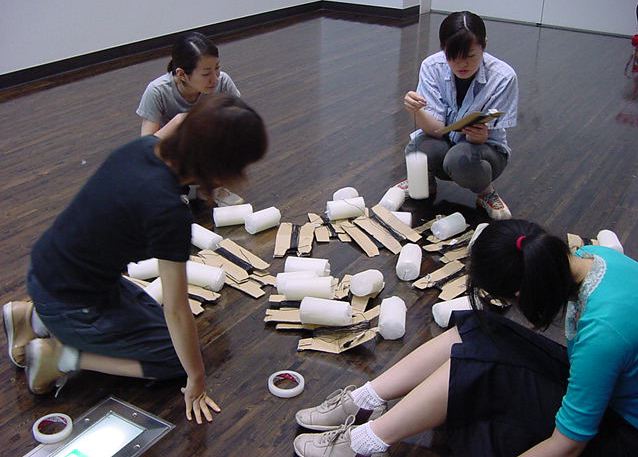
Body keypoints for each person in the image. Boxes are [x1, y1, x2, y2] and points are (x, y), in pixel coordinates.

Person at [3, 95, 267, 424]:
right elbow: (176, 308)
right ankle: (60, 357)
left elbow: (181, 121)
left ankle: (29, 316)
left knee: (158, 325)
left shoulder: (142, 148)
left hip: (48, 271)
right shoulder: (168, 211)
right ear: (217, 166)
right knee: (175, 358)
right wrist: (197, 379)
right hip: (73, 300)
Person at [292, 219, 638, 456]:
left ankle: (365, 442)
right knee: (481, 328)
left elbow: (568, 446)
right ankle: (365, 400)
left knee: (478, 366)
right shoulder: (593, 258)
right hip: (607, 387)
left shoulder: (604, 334)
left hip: (622, 433)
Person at [398, 11, 518, 220]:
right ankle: (424, 182)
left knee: (459, 160)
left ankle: (485, 191)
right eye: (452, 57)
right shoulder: (432, 66)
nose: (462, 65)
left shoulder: (503, 77)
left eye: (470, 56)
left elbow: (489, 134)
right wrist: (416, 111)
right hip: (443, 139)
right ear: (443, 48)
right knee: (417, 149)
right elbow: (435, 129)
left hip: (485, 150)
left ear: (484, 45)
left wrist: (479, 136)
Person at [137, 32, 244, 207]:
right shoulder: (157, 91)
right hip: (175, 152)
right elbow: (145, 146)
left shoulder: (223, 82)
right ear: (181, 74)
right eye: (206, 73)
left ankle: (211, 187)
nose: (215, 78)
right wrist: (181, 122)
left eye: (217, 68)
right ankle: (174, 190)